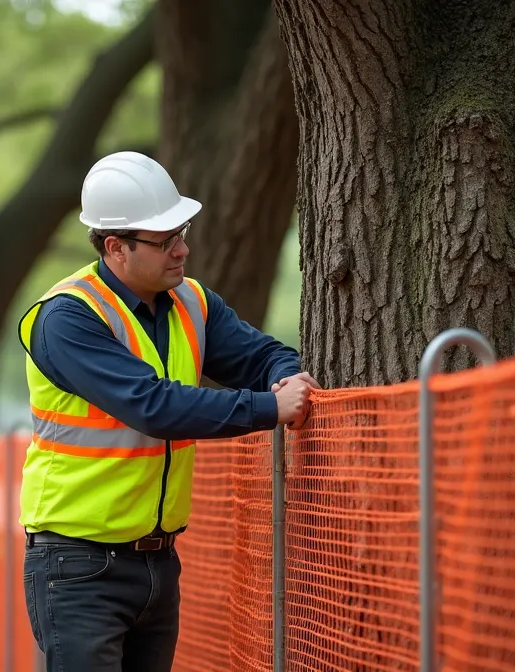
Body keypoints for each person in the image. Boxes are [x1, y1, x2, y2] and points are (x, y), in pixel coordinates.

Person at [16, 150, 320, 671]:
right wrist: (270, 408)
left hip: (158, 562)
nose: (183, 249)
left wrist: (284, 375)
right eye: (165, 241)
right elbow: (152, 406)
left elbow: (262, 355)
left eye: (181, 232)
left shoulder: (192, 302)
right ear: (116, 248)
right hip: (77, 565)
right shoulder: (67, 318)